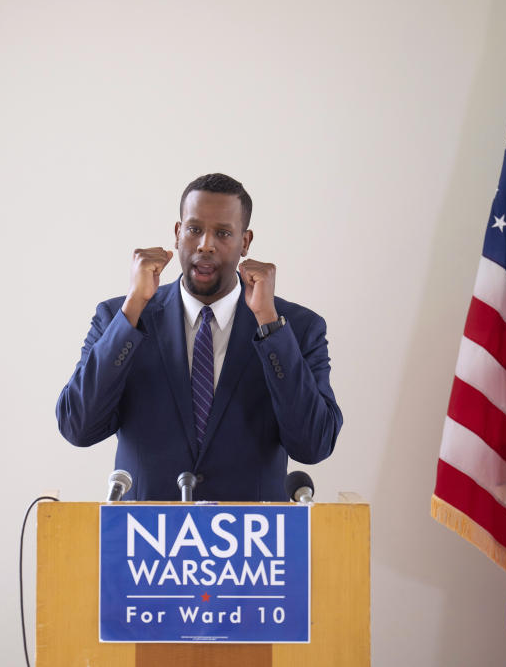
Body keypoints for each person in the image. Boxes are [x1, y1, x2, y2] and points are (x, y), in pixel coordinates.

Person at [56, 173, 342, 501]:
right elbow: (77, 426)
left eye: (222, 233)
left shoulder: (298, 328)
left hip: (252, 543)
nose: (205, 244)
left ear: (245, 242)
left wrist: (269, 323)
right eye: (194, 230)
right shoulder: (119, 319)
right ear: (178, 234)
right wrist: (133, 308)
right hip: (144, 543)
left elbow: (314, 444)